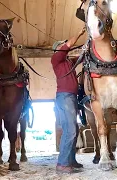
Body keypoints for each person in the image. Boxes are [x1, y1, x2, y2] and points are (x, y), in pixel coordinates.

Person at [51, 27, 86, 174]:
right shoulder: (56, 58)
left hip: (70, 97)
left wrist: (86, 48)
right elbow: (67, 46)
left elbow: (81, 58)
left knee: (74, 129)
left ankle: (70, 160)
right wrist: (79, 33)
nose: (63, 46)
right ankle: (62, 164)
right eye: (61, 45)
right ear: (57, 49)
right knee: (70, 130)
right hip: (65, 97)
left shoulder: (67, 62)